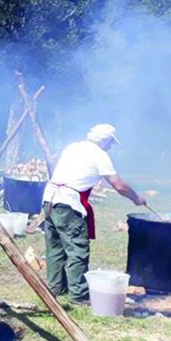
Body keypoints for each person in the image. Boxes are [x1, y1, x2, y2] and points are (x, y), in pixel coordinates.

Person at [41, 123, 145, 304]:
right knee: (77, 249)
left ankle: (55, 288)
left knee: (55, 247)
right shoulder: (99, 155)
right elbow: (118, 185)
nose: (111, 146)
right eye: (110, 142)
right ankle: (79, 295)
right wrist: (136, 198)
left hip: (50, 199)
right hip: (68, 203)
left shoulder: (73, 147)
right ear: (104, 140)